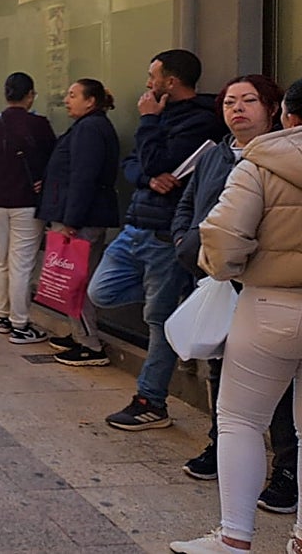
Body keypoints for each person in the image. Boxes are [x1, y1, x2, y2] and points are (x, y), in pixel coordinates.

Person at [170, 78, 302, 554]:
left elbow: (223, 239)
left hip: (269, 303)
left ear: (286, 114)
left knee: (241, 420)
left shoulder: (260, 162)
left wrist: (224, 270)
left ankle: (234, 538)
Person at [87, 49, 224, 430]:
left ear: (171, 81)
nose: (148, 84)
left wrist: (148, 123)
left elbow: (158, 160)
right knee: (100, 291)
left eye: (153, 76)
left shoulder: (200, 121)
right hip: (135, 226)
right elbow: (134, 164)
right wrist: (148, 178)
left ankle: (151, 401)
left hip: (164, 234)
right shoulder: (160, 115)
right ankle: (172, 301)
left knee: (158, 322)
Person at [38, 79, 121, 365]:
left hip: (82, 218)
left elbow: (83, 177)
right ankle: (79, 334)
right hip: (82, 214)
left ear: (91, 101)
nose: (66, 100)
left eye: (73, 95)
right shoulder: (88, 126)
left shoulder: (90, 128)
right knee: (74, 279)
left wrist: (71, 220)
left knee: (77, 280)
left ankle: (89, 344)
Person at [0, 72, 58, 342]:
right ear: (29, 95)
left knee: (2, 260)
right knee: (21, 264)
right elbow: (53, 158)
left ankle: (3, 315)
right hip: (25, 201)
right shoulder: (39, 124)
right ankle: (20, 324)